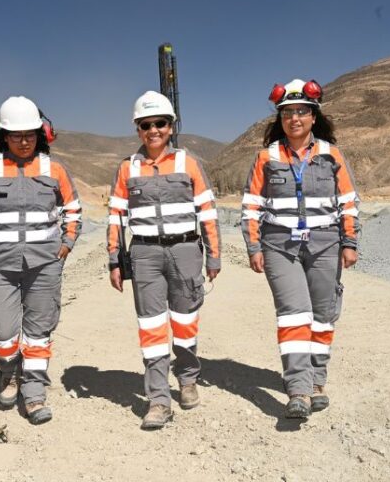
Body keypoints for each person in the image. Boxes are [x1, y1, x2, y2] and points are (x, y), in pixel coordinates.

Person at [0, 96, 81, 425]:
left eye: (30, 134)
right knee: (4, 334)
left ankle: (34, 393)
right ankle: (9, 372)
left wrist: (66, 245)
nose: (24, 141)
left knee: (38, 331)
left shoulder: (55, 170)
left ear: (42, 134)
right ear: (2, 136)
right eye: (16, 135)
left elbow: (73, 212)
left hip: (44, 266)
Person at [241, 79, 360, 419]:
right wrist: (253, 246)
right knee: (294, 312)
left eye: (301, 112)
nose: (294, 118)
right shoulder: (266, 157)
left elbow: (348, 202)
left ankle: (317, 380)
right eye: (287, 113)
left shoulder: (331, 155)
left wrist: (349, 242)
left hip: (326, 243)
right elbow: (251, 206)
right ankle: (298, 390)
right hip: (280, 245)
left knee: (323, 315)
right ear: (279, 119)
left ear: (313, 116)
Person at [107, 91, 221, 430]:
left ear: (170, 127)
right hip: (144, 254)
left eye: (160, 123)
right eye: (146, 125)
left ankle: (187, 379)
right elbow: (116, 216)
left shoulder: (189, 164)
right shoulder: (127, 168)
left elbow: (208, 212)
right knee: (151, 325)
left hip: (185, 250)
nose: (153, 130)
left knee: (185, 321)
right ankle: (158, 399)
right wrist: (114, 259)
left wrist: (214, 255)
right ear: (138, 130)